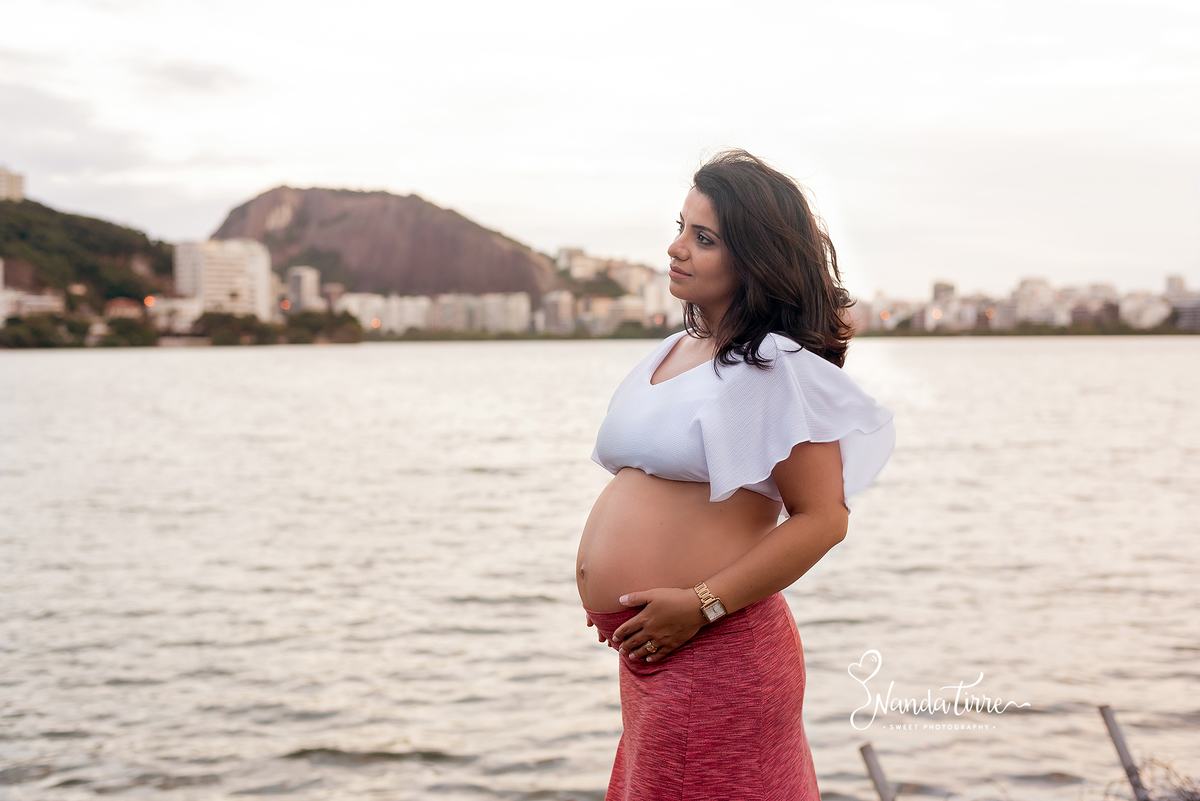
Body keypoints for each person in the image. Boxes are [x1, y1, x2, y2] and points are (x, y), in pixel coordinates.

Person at [576, 150, 895, 800]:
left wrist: (701, 605)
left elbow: (824, 518)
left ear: (755, 258)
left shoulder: (776, 366)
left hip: (717, 647)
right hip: (658, 653)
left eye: (705, 238)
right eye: (681, 228)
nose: (677, 248)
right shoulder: (673, 350)